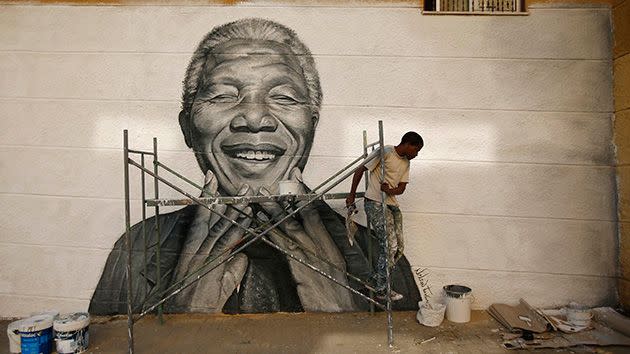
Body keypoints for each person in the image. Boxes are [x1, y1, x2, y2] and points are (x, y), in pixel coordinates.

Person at [89, 18, 420, 315]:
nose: (254, 119)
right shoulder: (135, 251)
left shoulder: (383, 259)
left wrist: (345, 315)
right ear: (187, 128)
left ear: (312, 127)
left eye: (284, 97)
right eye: (221, 96)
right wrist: (181, 320)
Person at [346, 132, 424, 301]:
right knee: (389, 245)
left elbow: (401, 188)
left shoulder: (406, 162)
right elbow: (360, 169)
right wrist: (351, 195)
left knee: (398, 248)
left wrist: (390, 191)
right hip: (374, 202)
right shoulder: (386, 152)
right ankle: (382, 289)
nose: (416, 154)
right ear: (408, 144)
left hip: (391, 205)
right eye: (416, 150)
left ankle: (375, 280)